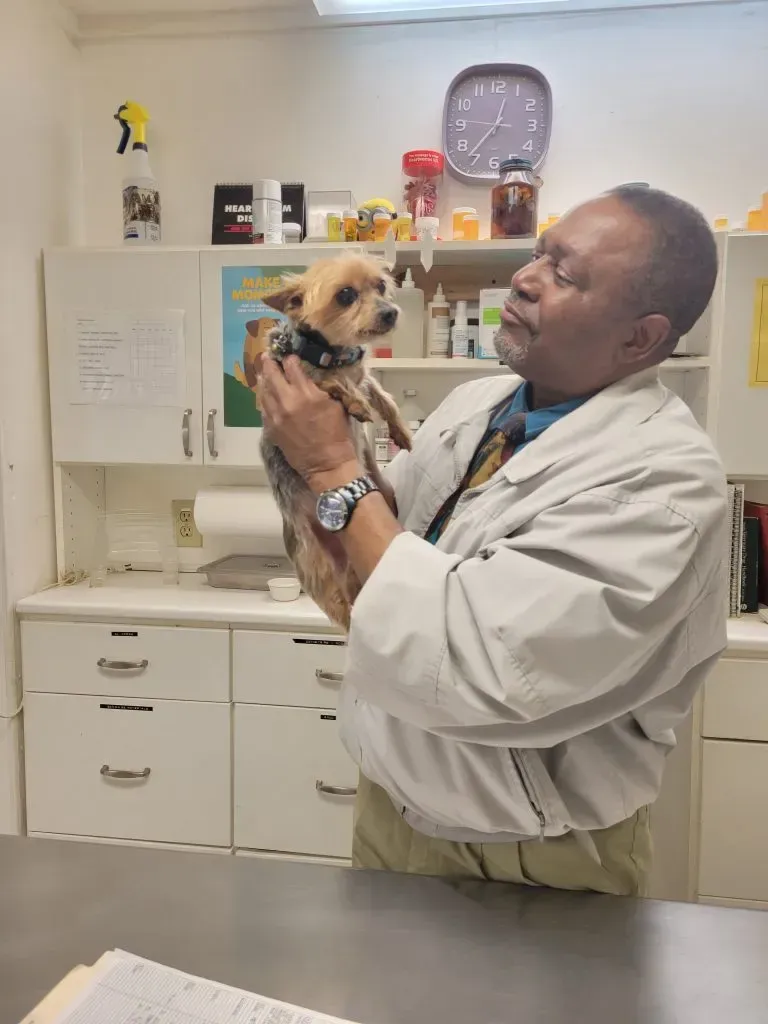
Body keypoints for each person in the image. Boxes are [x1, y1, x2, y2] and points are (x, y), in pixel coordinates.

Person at [259, 185, 727, 896]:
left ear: (640, 337)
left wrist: (331, 466)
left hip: (530, 855)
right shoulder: (477, 405)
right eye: (538, 254)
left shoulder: (661, 484)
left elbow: (466, 665)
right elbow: (384, 538)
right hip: (390, 809)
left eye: (564, 274)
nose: (525, 278)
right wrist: (306, 460)